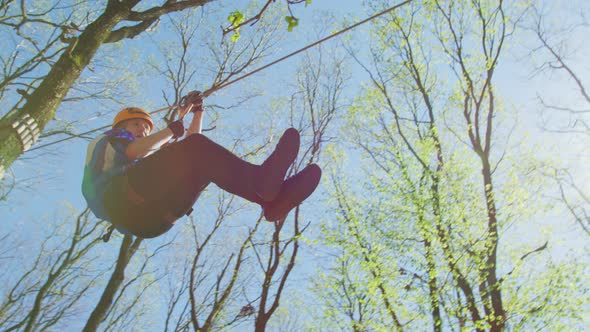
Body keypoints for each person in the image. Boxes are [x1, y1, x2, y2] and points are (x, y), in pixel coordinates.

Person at [82, 92, 321, 238]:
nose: (143, 130)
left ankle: (269, 200)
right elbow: (134, 150)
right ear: (122, 126)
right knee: (194, 150)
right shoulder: (110, 139)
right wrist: (170, 130)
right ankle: (261, 182)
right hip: (121, 200)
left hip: (153, 220)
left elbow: (193, 149)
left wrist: (196, 113)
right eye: (137, 125)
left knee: (199, 163)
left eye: (146, 128)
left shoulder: (144, 165)